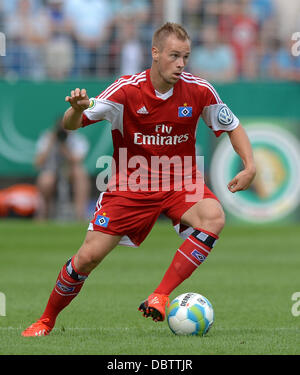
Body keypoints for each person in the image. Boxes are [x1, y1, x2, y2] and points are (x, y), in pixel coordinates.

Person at [22, 22, 256, 337]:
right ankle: (46, 320)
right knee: (87, 258)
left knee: (213, 216)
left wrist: (249, 164)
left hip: (179, 182)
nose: (181, 64)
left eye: (185, 56)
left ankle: (160, 294)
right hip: (130, 186)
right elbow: (71, 123)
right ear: (155, 53)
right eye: (174, 56)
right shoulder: (126, 89)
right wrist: (77, 110)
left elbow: (232, 125)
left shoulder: (199, 89)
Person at [35, 116, 90, 221]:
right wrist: (50, 143)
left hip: (69, 171)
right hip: (51, 170)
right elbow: (38, 163)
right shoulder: (47, 138)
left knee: (80, 173)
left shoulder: (77, 139)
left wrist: (64, 147)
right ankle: (44, 214)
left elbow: (77, 160)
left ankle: (80, 214)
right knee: (46, 180)